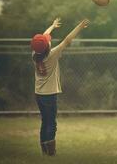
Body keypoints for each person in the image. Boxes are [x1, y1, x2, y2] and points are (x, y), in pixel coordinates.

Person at [31, 18, 90, 156]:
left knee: (45, 121)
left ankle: (44, 149)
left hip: (39, 94)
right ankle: (50, 152)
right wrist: (79, 27)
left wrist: (52, 26)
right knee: (51, 123)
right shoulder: (52, 54)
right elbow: (67, 40)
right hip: (49, 95)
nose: (49, 40)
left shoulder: (35, 54)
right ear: (48, 47)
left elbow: (44, 37)